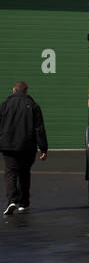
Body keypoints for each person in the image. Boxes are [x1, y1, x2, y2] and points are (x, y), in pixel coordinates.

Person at [1, 82, 48, 216]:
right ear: (26, 91)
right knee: (24, 173)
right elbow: (39, 129)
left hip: (8, 145)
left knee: (10, 172)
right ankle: (23, 203)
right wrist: (43, 148)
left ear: (13, 90)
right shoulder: (33, 106)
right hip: (27, 146)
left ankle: (12, 200)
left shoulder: (4, 105)